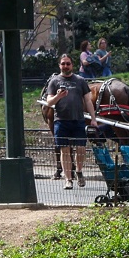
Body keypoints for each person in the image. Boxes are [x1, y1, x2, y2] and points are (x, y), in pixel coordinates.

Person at [44, 54, 90, 190]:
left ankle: (79, 172)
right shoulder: (54, 81)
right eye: (63, 64)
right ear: (59, 65)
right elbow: (49, 102)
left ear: (72, 65)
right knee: (64, 150)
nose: (65, 66)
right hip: (61, 121)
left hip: (78, 120)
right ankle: (68, 179)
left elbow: (88, 101)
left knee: (81, 149)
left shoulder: (80, 80)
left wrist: (93, 119)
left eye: (68, 63)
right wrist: (58, 96)